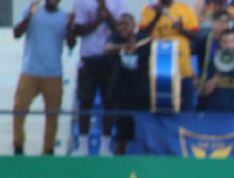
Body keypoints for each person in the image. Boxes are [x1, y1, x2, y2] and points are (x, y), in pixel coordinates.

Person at [11, 0, 72, 156]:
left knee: (52, 115)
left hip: (53, 73)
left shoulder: (63, 17)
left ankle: (48, 150)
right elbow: (17, 33)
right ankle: (18, 147)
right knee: (19, 109)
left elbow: (71, 43)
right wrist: (29, 17)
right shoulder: (32, 9)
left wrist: (71, 26)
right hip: (30, 71)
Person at [71, 0, 124, 156]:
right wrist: (98, 19)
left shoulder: (118, 2)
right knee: (85, 102)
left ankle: (106, 146)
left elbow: (120, 29)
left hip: (110, 57)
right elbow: (79, 29)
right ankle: (82, 146)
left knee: (109, 102)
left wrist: (106, 13)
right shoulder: (81, 2)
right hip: (89, 57)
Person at [138, 0, 200, 111]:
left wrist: (182, 30)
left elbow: (196, 35)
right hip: (159, 69)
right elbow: (141, 35)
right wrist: (156, 17)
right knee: (160, 107)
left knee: (187, 107)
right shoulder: (149, 9)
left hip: (183, 69)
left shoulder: (185, 9)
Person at [104, 12, 148, 155]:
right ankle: (119, 166)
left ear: (133, 25)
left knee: (142, 134)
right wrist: (124, 47)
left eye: (126, 24)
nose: (122, 28)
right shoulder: (115, 39)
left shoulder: (142, 39)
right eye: (119, 25)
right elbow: (107, 49)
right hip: (121, 95)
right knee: (122, 135)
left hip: (140, 95)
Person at [202, 27, 234, 111]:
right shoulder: (213, 63)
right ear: (220, 44)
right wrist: (219, 69)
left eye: (232, 41)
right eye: (225, 42)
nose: (229, 45)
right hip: (214, 112)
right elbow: (206, 92)